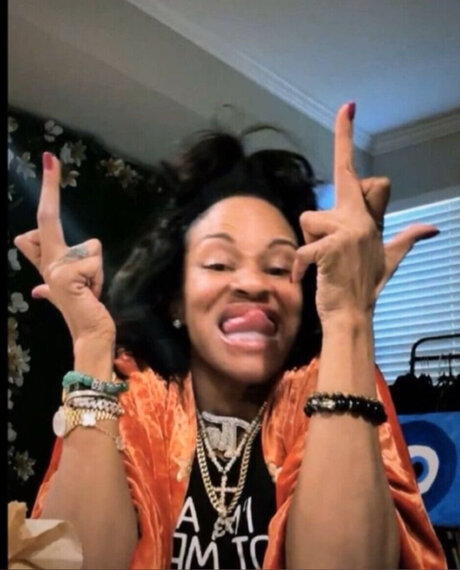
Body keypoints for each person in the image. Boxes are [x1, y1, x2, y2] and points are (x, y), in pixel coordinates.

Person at [15, 103, 447, 570]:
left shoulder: (337, 383)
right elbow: (72, 564)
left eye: (279, 268)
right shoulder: (134, 398)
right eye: (219, 263)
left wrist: (348, 318)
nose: (253, 284)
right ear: (176, 298)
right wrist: (91, 344)